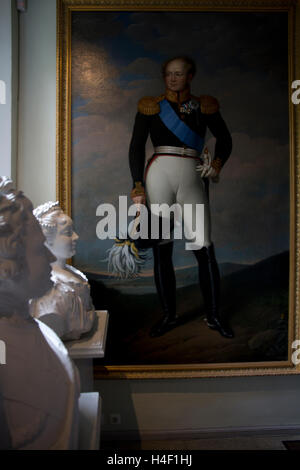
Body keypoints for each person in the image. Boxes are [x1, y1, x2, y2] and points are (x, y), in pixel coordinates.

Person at [129, 56, 233, 338]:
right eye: (169, 74)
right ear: (164, 76)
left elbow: (225, 139)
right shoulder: (150, 107)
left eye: (180, 74)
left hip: (192, 173)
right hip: (159, 173)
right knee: (163, 246)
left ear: (190, 76)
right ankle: (169, 316)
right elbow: (137, 148)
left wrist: (218, 163)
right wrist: (137, 185)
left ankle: (213, 316)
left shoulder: (204, 106)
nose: (174, 79)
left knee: (203, 245)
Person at [0, 177, 80, 449]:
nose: (49, 258)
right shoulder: (5, 351)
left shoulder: (27, 325)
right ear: (7, 268)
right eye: (38, 250)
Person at [30, 201, 96, 341]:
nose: (76, 237)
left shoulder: (72, 275)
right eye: (68, 233)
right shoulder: (48, 293)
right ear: (46, 241)